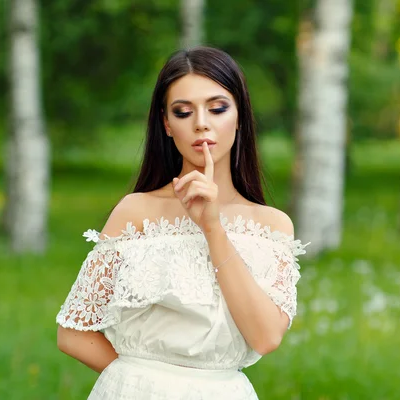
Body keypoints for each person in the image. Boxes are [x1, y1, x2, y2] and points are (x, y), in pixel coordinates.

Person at [55, 46, 309, 399]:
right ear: (166, 124)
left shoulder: (272, 226)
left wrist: (213, 227)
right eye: (183, 111)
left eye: (217, 108)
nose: (201, 122)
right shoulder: (136, 212)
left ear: (239, 117)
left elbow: (266, 337)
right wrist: (145, 384)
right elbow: (74, 333)